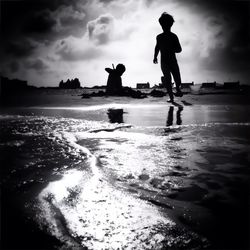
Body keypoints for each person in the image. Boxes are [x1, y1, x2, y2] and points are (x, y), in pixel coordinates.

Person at [153, 12, 183, 102]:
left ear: (170, 25)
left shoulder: (174, 36)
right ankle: (171, 97)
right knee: (167, 79)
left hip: (173, 61)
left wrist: (171, 49)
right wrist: (155, 57)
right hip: (164, 62)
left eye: (166, 25)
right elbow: (157, 47)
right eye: (163, 25)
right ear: (161, 25)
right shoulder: (159, 37)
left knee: (177, 79)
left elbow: (179, 49)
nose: (164, 27)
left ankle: (178, 89)